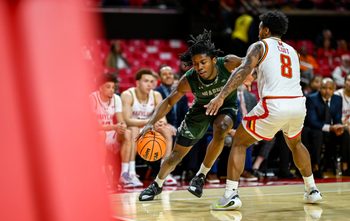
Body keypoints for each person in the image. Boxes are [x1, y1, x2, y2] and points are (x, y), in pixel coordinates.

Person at [205, 10, 323, 210]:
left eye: (260, 27)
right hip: (297, 104)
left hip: (275, 104)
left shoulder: (260, 45)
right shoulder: (292, 51)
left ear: (265, 29)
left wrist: (221, 95)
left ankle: (231, 194)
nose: (258, 30)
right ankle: (312, 189)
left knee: (239, 142)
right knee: (295, 143)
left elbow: (243, 70)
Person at [138, 29, 243, 201]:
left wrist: (249, 75)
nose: (200, 67)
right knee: (176, 155)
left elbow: (248, 64)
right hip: (200, 110)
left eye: (203, 62)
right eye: (196, 63)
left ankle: (201, 176)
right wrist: (151, 122)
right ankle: (157, 184)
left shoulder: (228, 63)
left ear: (214, 60)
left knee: (222, 127)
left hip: (225, 106)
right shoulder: (189, 79)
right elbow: (169, 101)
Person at [121, 68, 176, 187]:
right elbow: (127, 120)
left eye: (152, 81)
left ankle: (164, 172)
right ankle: (130, 173)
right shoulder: (128, 95)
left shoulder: (156, 95)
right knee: (134, 131)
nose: (149, 84)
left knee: (166, 131)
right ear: (137, 83)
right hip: (133, 129)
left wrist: (160, 123)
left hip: (148, 128)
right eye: (146, 81)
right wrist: (150, 122)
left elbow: (163, 118)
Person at [89, 72, 132, 190]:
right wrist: (114, 127)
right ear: (100, 88)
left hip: (110, 131)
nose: (112, 90)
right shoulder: (92, 98)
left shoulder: (116, 98)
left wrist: (122, 126)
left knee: (127, 133)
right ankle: (102, 173)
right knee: (101, 134)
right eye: (108, 87)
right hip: (95, 134)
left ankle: (125, 173)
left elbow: (120, 120)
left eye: (113, 87)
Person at [303, 78, 344, 178]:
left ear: (334, 89)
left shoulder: (338, 99)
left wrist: (338, 126)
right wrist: (330, 128)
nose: (327, 91)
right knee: (318, 134)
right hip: (313, 129)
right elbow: (312, 121)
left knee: (344, 134)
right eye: (324, 88)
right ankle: (315, 165)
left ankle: (343, 165)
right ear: (319, 88)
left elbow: (337, 118)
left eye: (330, 88)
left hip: (330, 129)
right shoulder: (311, 98)